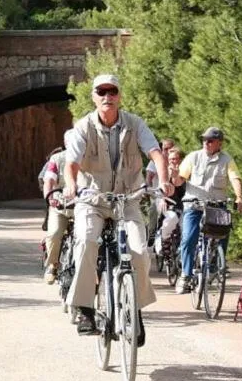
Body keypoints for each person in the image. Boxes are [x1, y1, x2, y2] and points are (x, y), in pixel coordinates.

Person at [62, 74, 173, 338]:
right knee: (86, 241)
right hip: (93, 200)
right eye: (101, 92)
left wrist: (164, 180)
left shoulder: (135, 124)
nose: (107, 97)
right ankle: (85, 309)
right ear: (94, 97)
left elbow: (155, 153)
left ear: (119, 96)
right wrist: (71, 185)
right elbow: (72, 163)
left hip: (127, 199)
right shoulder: (83, 127)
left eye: (112, 92)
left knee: (139, 252)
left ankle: (135, 309)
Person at [172, 127, 242, 293]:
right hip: (194, 204)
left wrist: (239, 197)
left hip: (216, 205)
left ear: (219, 143)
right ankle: (186, 274)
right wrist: (175, 176)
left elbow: (235, 178)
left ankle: (215, 267)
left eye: (210, 140)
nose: (206, 142)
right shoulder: (193, 157)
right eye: (204, 139)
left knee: (223, 234)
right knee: (188, 238)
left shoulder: (227, 160)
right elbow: (179, 181)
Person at [40, 130, 76, 284]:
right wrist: (50, 197)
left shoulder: (89, 157)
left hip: (82, 206)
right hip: (60, 206)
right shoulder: (57, 159)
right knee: (54, 234)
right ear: (66, 143)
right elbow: (49, 179)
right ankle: (52, 265)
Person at [153, 144, 186, 257]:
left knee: (186, 226)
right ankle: (163, 239)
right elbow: (160, 188)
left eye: (175, 158)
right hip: (168, 203)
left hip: (184, 204)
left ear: (180, 159)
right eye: (171, 159)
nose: (173, 161)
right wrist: (162, 199)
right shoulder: (164, 172)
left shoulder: (186, 171)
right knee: (171, 218)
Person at [146, 138, 176, 243]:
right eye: (165, 149)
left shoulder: (176, 162)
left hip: (174, 196)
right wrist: (149, 190)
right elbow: (148, 178)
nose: (168, 152)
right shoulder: (155, 162)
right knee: (153, 210)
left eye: (170, 149)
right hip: (158, 195)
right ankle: (151, 233)